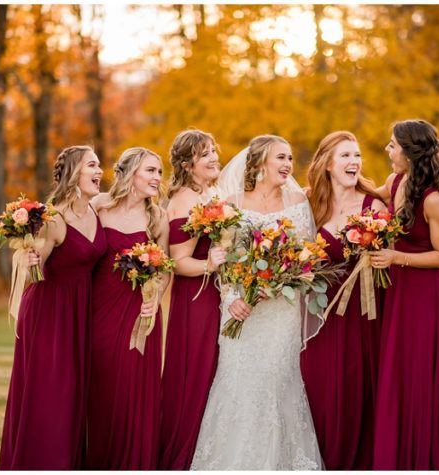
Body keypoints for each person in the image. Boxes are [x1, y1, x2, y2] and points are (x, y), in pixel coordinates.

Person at [190, 135, 323, 470]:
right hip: (239, 307)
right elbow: (224, 255)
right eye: (281, 157)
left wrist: (281, 281)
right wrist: (232, 296)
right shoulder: (232, 201)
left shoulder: (296, 200)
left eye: (290, 158)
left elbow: (306, 257)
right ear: (261, 161)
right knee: (237, 379)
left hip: (281, 309)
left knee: (279, 379)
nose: (288, 165)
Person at [369, 119, 439, 470]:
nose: (387, 150)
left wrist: (396, 257)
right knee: (398, 376)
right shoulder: (395, 181)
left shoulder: (436, 198)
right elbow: (380, 196)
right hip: (399, 295)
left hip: (430, 299)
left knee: (420, 380)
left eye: (392, 145)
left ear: (410, 153)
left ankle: (427, 459)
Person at [0, 146, 107, 469]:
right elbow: (35, 266)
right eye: (92, 165)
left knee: (74, 399)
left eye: (99, 164)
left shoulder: (96, 211)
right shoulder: (55, 218)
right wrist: (28, 256)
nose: (100, 171)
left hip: (80, 313)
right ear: (74, 172)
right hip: (50, 314)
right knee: (52, 396)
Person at [300, 131, 386, 469]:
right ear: (327, 165)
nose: (354, 162)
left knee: (356, 388)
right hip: (320, 313)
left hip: (362, 312)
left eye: (357, 155)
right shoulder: (310, 205)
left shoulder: (373, 205)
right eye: (346, 156)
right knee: (319, 386)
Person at [159, 129, 242, 470]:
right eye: (204, 153)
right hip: (196, 299)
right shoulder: (182, 200)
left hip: (219, 293)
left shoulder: (213, 193)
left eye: (213, 151)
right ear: (186, 163)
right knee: (198, 371)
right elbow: (179, 262)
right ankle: (184, 453)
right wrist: (210, 264)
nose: (213, 158)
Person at [85, 147, 168, 470]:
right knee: (102, 389)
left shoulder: (156, 216)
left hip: (141, 313)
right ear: (131, 172)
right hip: (100, 309)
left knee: (135, 393)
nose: (157, 179)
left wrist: (154, 297)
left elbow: (165, 267)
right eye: (150, 171)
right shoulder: (99, 206)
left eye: (159, 172)